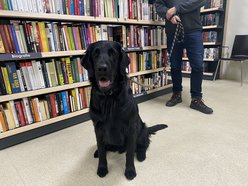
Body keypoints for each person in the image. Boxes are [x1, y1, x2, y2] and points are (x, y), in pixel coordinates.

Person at [155, 0, 213, 114]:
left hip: (193, 30)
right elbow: (158, 5)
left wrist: (177, 9)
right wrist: (169, 14)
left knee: (197, 64)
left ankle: (196, 98)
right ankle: (176, 94)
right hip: (173, 29)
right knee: (175, 64)